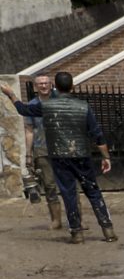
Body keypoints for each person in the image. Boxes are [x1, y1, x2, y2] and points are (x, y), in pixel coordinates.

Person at [3, 70, 116, 243]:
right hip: (81, 155)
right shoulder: (83, 106)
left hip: (59, 156)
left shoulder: (46, 106)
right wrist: (106, 157)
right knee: (93, 191)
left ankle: (77, 233)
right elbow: (97, 134)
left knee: (68, 193)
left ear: (55, 86)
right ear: (72, 86)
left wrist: (11, 94)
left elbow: (23, 109)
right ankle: (108, 230)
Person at [20, 74, 64, 232]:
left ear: (51, 84)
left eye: (46, 83)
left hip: (63, 148)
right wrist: (28, 154)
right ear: (35, 87)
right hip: (42, 149)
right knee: (50, 186)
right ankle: (56, 220)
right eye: (40, 84)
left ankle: (76, 218)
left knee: (69, 184)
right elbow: (29, 131)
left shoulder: (60, 100)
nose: (43, 86)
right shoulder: (31, 105)